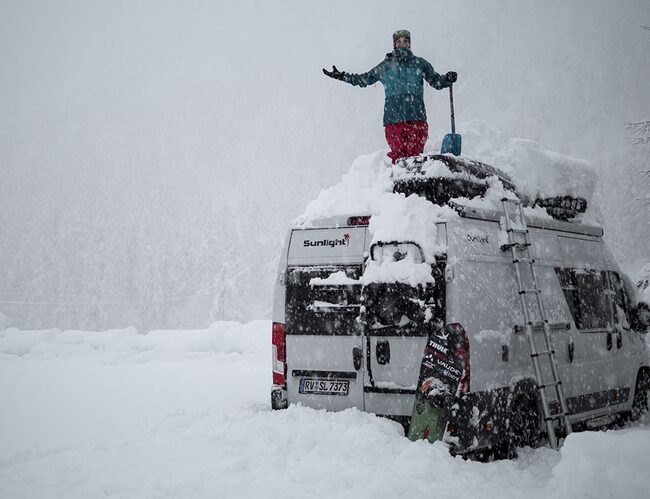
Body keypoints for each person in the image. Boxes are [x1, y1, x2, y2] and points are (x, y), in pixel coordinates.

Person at [323, 29, 457, 164]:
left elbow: (435, 81)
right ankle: (400, 183)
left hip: (416, 119)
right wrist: (342, 76)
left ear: (410, 44)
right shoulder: (385, 66)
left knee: (416, 158)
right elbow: (364, 79)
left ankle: (416, 183)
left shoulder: (420, 63)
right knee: (399, 160)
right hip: (393, 121)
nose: (402, 44)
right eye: (399, 42)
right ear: (394, 45)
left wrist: (447, 79)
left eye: (405, 41)